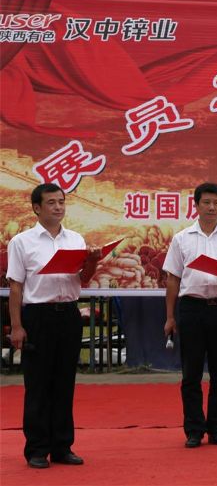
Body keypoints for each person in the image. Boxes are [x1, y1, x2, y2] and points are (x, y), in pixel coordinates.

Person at [6, 183, 100, 468]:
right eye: (51, 202)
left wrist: (92, 261)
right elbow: (15, 286)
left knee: (64, 383)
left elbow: (84, 279)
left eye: (61, 202)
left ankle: (62, 446)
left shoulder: (75, 239)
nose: (58, 207)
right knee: (38, 384)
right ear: (37, 208)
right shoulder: (22, 242)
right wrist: (17, 326)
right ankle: (37, 449)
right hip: (38, 316)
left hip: (68, 314)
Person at [163, 182, 217, 448]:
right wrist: (170, 317)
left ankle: (216, 428)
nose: (211, 207)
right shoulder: (182, 238)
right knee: (191, 373)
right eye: (206, 202)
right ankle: (193, 430)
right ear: (196, 205)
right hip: (191, 308)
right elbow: (172, 279)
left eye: (216, 203)